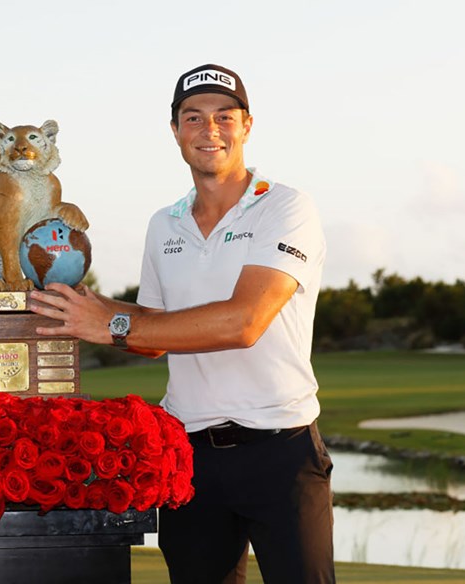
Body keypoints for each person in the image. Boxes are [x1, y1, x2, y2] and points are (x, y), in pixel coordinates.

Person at [28, 63, 335, 584]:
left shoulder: (284, 208)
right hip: (190, 454)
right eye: (193, 117)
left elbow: (244, 321)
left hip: (280, 450)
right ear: (175, 131)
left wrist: (116, 326)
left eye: (223, 116)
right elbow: (152, 329)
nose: (209, 130)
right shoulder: (162, 223)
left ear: (247, 125)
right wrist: (87, 306)